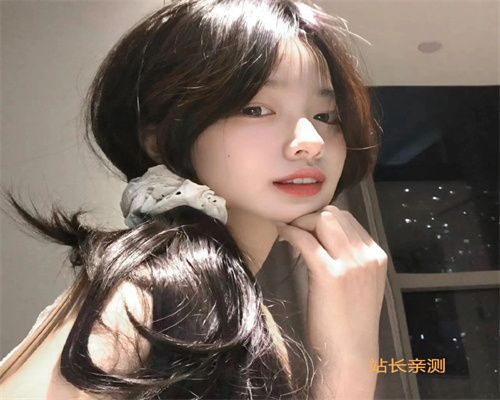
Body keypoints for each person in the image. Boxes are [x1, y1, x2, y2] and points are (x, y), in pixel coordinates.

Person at [0, 0, 387, 398]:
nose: (311, 141)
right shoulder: (162, 288)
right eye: (255, 109)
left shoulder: (227, 298)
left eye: (327, 116)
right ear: (159, 137)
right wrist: (350, 360)